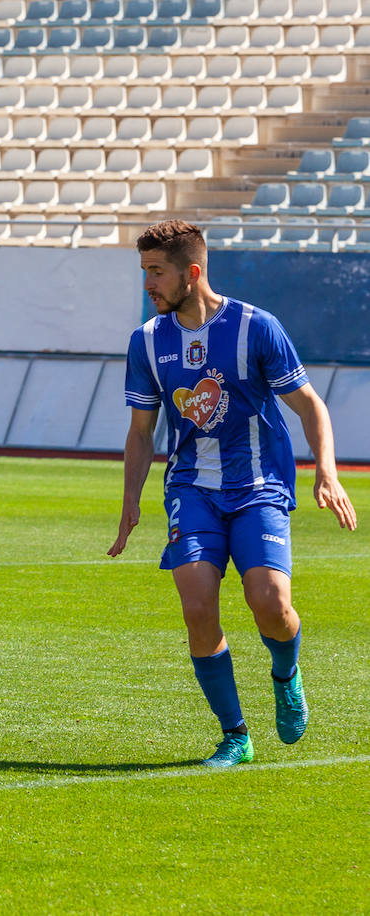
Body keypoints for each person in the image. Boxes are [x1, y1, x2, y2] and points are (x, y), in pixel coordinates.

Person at [108, 219, 357, 768]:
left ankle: (286, 672)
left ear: (191, 273)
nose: (147, 284)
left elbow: (310, 405)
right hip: (191, 487)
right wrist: (131, 500)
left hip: (259, 487)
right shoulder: (147, 340)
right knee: (197, 606)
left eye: (156, 272)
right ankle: (235, 735)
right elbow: (141, 430)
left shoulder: (256, 327)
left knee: (270, 605)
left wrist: (327, 472)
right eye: (144, 272)